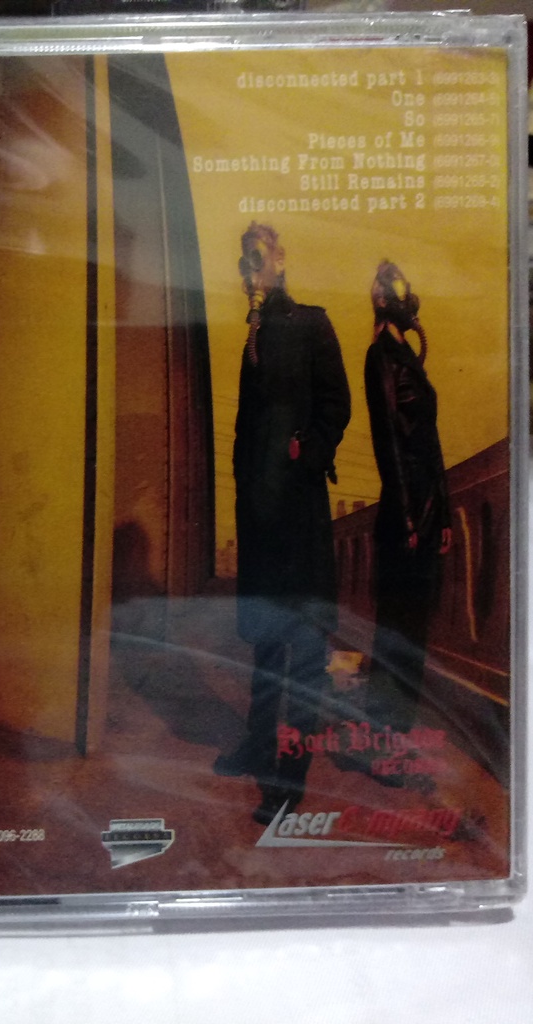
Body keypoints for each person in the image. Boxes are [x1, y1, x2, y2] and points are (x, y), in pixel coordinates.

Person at [213, 222, 351, 825]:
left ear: (280, 259)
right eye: (244, 260)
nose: (250, 267)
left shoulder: (311, 323)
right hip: (260, 514)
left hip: (298, 511)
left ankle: (290, 778)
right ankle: (257, 743)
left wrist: (307, 452)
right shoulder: (256, 330)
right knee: (266, 641)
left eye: (258, 256)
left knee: (305, 646)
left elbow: (337, 404)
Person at [362, 261, 451, 754]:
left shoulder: (408, 357)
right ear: (381, 300)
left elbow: (430, 439)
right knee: (395, 631)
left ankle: (396, 739)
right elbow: (388, 442)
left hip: (429, 508)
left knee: (414, 633)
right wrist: (408, 515)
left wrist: (445, 511)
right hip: (405, 513)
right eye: (392, 291)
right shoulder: (380, 357)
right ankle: (381, 741)